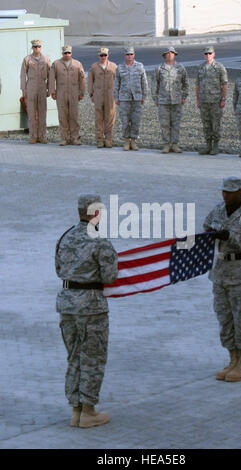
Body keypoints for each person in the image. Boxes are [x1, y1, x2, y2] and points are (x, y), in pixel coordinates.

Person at [55, 194, 118, 428]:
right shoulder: (100, 240)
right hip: (91, 307)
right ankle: (89, 411)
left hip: (67, 304)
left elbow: (58, 268)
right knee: (93, 358)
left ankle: (76, 410)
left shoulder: (65, 237)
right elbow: (110, 276)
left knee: (74, 357)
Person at [203, 177, 241, 382]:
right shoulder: (218, 209)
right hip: (220, 272)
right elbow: (206, 226)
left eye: (230, 192)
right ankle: (232, 358)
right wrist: (211, 234)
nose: (225, 195)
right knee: (224, 318)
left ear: (240, 191)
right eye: (224, 191)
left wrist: (230, 237)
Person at [152, 46, 189, 154]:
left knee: (176, 123)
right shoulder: (159, 68)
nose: (170, 55)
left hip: (176, 100)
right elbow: (155, 84)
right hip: (163, 100)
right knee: (164, 123)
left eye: (172, 53)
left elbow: (186, 83)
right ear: (164, 56)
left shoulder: (180, 68)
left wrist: (184, 97)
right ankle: (166, 144)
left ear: (175, 55)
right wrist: (155, 98)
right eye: (167, 53)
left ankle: (175, 144)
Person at [49, 45, 85, 146]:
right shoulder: (56, 64)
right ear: (62, 53)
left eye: (69, 53)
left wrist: (81, 92)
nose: (67, 55)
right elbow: (51, 79)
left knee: (74, 116)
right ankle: (64, 138)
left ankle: (74, 138)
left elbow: (82, 79)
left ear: (71, 53)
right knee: (62, 116)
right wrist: (52, 91)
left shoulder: (77, 64)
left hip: (74, 94)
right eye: (65, 53)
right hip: (61, 93)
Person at [114, 46, 148, 151]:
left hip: (137, 98)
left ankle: (133, 140)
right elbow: (116, 84)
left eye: (131, 54)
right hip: (124, 98)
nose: (129, 56)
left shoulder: (140, 66)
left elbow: (144, 82)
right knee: (125, 120)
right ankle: (126, 141)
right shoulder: (120, 68)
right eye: (127, 54)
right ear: (124, 55)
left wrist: (144, 96)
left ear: (134, 55)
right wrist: (116, 97)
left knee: (136, 120)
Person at [196, 46, 228, 155]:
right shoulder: (200, 67)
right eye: (206, 54)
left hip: (215, 101)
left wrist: (223, 99)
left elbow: (224, 84)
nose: (208, 55)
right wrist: (198, 100)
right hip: (204, 100)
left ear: (214, 54)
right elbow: (197, 85)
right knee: (206, 124)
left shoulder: (219, 67)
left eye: (210, 53)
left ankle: (215, 146)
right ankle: (208, 145)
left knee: (215, 124)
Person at [20, 39, 51, 144]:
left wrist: (49, 88)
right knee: (32, 112)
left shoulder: (46, 59)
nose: (37, 48)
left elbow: (50, 74)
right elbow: (23, 75)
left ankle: (42, 136)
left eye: (38, 46)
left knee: (42, 112)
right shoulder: (27, 59)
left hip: (42, 85)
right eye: (35, 47)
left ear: (41, 47)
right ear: (32, 47)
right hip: (31, 85)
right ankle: (33, 136)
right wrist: (23, 90)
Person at [88, 47, 117, 148]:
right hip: (98, 95)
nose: (103, 57)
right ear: (98, 56)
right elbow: (90, 81)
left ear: (108, 55)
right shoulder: (94, 67)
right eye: (101, 55)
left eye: (105, 55)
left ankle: (108, 139)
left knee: (110, 117)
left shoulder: (114, 66)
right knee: (99, 118)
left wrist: (117, 95)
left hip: (110, 95)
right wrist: (91, 94)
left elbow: (118, 81)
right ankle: (99, 139)